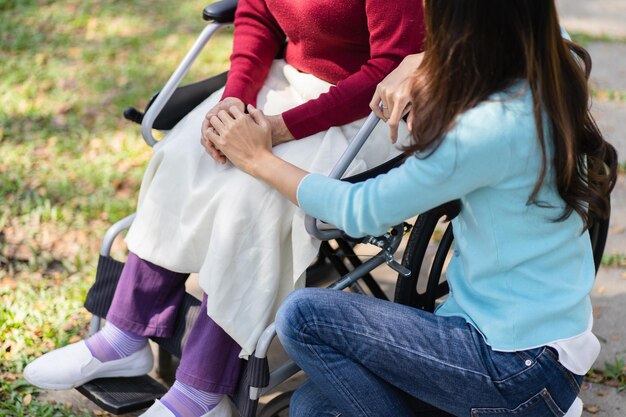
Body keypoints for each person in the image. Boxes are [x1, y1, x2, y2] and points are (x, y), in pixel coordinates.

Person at [202, 0, 618, 416]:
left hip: (511, 366)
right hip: (535, 347)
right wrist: (412, 62)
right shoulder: (548, 70)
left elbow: (362, 210)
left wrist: (258, 158)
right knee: (312, 406)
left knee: (302, 318)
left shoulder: (485, 130)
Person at [23, 0, 423, 416]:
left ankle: (202, 392)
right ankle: (124, 336)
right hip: (285, 80)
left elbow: (395, 65)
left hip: (370, 112)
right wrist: (233, 100)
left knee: (253, 196)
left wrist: (277, 130)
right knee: (183, 155)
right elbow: (256, 13)